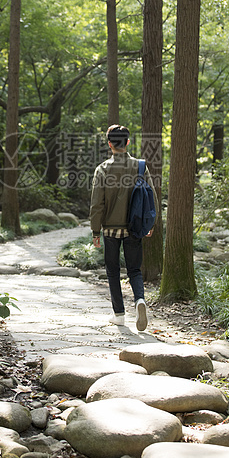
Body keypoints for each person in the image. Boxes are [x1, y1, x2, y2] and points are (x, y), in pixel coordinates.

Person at [90, 125, 157, 331]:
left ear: (110, 144)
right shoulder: (140, 166)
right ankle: (139, 301)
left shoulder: (102, 169)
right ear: (128, 142)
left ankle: (119, 315)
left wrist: (95, 230)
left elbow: (96, 204)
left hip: (110, 229)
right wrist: (150, 223)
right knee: (135, 270)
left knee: (112, 271)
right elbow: (152, 197)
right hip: (134, 227)